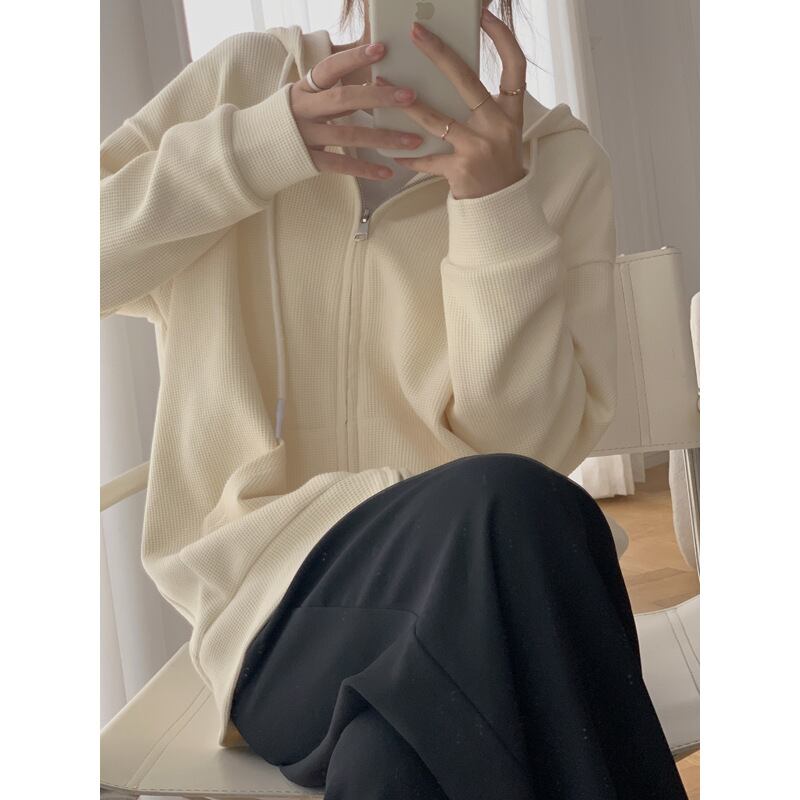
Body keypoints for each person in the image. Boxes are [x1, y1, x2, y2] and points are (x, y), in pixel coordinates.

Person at [100, 0, 687, 797]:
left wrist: (495, 205)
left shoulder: (559, 164)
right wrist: (263, 146)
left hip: (476, 583)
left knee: (389, 766)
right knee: (520, 507)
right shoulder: (241, 84)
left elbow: (529, 443)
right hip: (273, 610)